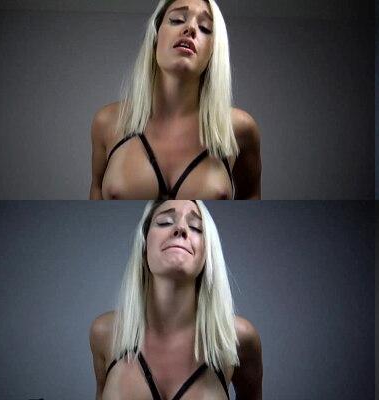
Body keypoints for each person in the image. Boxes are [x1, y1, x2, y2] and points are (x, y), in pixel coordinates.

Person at [89, 200, 262, 399]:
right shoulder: (105, 333)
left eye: (196, 227)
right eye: (165, 222)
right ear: (144, 246)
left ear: (207, 253)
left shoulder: (237, 338)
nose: (181, 228)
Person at [90, 0, 261, 200]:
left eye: (205, 28)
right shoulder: (107, 122)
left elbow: (251, 198)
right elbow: (96, 195)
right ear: (155, 37)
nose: (191, 28)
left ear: (214, 51)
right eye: (177, 20)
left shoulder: (239, 129)